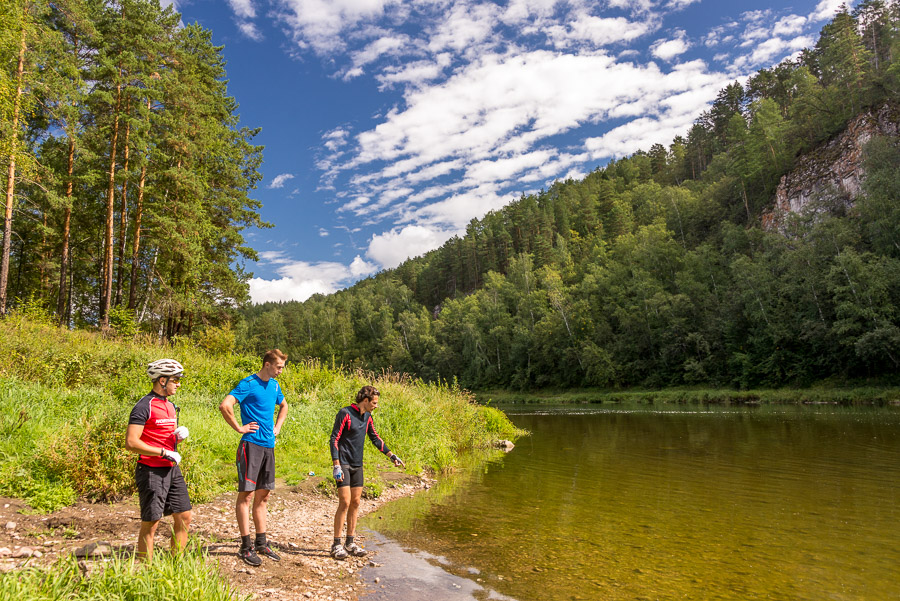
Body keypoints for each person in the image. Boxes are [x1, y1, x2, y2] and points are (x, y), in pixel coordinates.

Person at [220, 349, 289, 566]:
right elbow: (225, 405)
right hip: (250, 446)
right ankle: (245, 547)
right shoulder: (248, 383)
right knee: (246, 496)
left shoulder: (275, 386)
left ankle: (261, 542)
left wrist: (278, 426)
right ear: (267, 364)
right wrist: (239, 428)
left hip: (268, 445)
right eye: (278, 367)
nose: (280, 371)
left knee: (264, 496)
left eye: (282, 368)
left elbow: (284, 406)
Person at [125, 358, 192, 561]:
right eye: (176, 379)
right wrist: (163, 453)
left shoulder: (170, 406)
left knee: (184, 516)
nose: (179, 384)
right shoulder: (144, 406)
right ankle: (148, 571)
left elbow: (163, 437)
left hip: (171, 469)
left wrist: (176, 438)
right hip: (151, 469)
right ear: (162, 380)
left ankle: (176, 565)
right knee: (151, 522)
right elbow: (131, 442)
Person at [329, 385, 405, 560]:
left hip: (357, 464)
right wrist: (336, 464)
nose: (376, 406)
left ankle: (350, 542)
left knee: (355, 502)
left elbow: (375, 438)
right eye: (375, 402)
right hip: (344, 464)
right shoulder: (345, 413)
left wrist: (391, 455)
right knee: (345, 502)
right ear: (366, 400)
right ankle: (336, 544)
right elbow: (335, 438)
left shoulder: (368, 417)